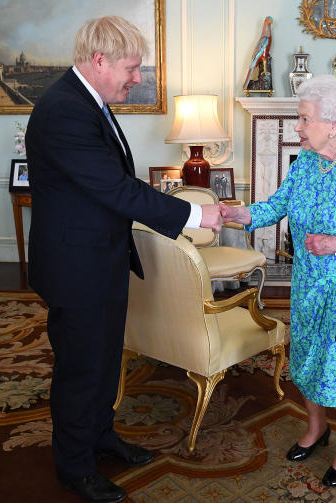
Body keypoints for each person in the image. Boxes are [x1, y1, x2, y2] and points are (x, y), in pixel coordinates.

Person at [25, 16, 223, 503]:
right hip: (76, 267)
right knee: (81, 368)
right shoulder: (63, 111)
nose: (138, 78)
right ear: (100, 61)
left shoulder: (89, 102)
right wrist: (197, 213)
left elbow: (110, 186)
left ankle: (100, 437)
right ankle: (74, 466)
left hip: (101, 258)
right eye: (132, 68)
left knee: (105, 357)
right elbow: (114, 188)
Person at [221, 74, 336, 488]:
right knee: (306, 358)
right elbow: (278, 205)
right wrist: (242, 215)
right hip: (307, 284)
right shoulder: (306, 161)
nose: (297, 127)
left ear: (333, 123)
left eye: (303, 119)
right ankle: (316, 428)